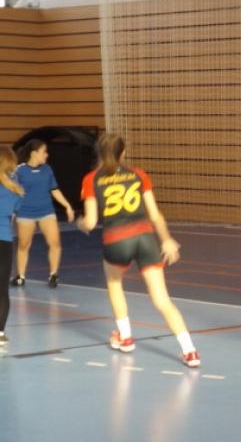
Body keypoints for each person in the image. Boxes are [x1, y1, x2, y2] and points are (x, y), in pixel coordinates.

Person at [77, 133, 200, 367]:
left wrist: (80, 223)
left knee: (115, 284)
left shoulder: (91, 179)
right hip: (145, 238)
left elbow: (91, 222)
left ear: (99, 153)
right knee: (162, 299)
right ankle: (190, 351)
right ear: (123, 152)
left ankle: (125, 338)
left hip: (117, 239)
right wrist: (166, 239)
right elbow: (155, 214)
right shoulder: (138, 174)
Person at [11, 139, 74, 288]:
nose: (47, 154)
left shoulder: (47, 169)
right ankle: (20, 276)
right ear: (34, 153)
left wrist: (67, 206)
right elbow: (13, 192)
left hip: (46, 211)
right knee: (24, 245)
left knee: (55, 243)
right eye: (44, 152)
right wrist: (12, 212)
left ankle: (53, 275)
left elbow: (54, 189)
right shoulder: (19, 170)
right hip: (26, 212)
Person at [0, 147, 24, 346]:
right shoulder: (15, 189)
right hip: (4, 241)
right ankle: (0, 333)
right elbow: (14, 215)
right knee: (2, 290)